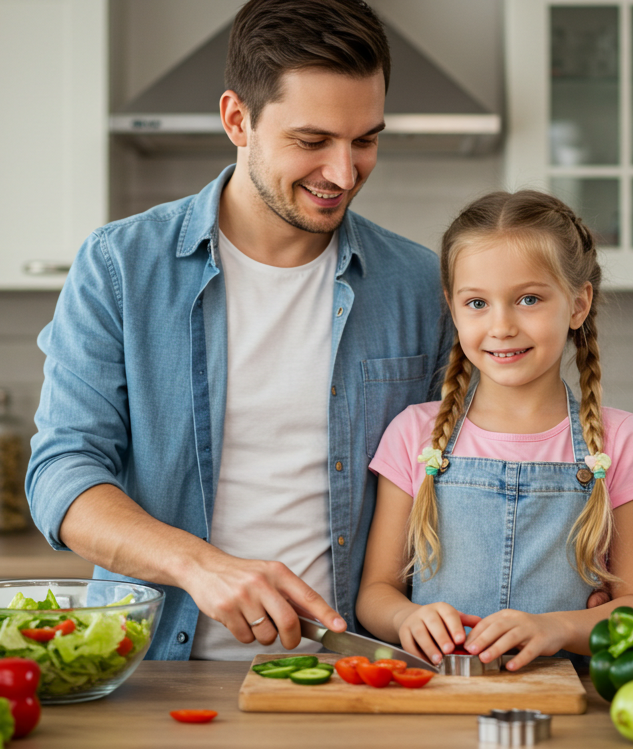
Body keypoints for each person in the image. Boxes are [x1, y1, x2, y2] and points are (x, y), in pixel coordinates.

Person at [26, 0, 451, 661]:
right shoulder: (119, 267)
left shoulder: (418, 285)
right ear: (237, 120)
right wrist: (200, 565)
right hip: (154, 675)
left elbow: (467, 474)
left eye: (365, 139)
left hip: (351, 677)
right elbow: (61, 477)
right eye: (312, 141)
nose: (343, 174)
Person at [356, 190, 633, 672]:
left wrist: (558, 628)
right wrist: (406, 619)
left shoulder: (620, 440)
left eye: (528, 299)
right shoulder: (413, 434)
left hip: (568, 705)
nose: (501, 326)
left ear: (577, 304)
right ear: (452, 307)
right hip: (438, 706)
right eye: (477, 302)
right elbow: (376, 594)